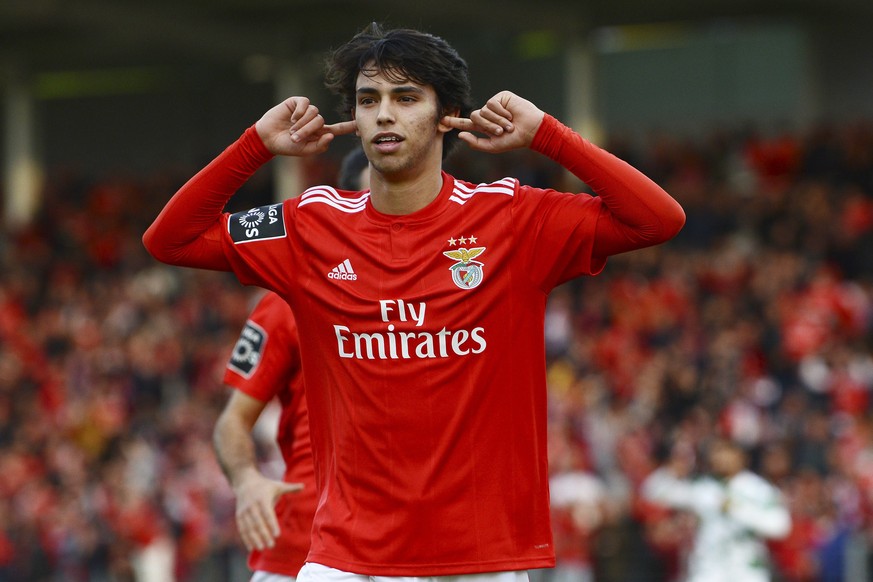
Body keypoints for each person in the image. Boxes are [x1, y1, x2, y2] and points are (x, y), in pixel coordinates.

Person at [143, 22, 685, 581]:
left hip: (481, 561)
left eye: (406, 98)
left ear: (446, 113)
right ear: (352, 119)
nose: (384, 115)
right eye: (368, 100)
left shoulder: (512, 217)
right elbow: (170, 240)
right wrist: (254, 145)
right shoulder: (310, 224)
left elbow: (658, 220)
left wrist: (548, 134)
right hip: (346, 560)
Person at [213, 147, 370, 582]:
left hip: (417, 545)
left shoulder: (445, 292)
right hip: (304, 545)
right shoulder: (288, 301)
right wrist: (246, 480)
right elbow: (232, 421)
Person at [641, 438, 792, 582]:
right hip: (708, 569)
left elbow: (780, 526)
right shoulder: (702, 488)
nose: (721, 458)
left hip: (746, 569)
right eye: (717, 452)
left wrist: (737, 509)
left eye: (727, 452)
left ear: (741, 456)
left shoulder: (758, 489)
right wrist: (671, 471)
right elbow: (653, 492)